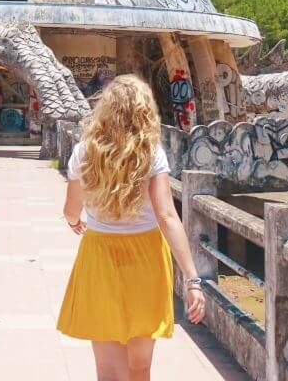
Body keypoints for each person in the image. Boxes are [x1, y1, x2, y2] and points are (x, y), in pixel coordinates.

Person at [57, 75, 206, 381]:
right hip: (146, 256)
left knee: (108, 370)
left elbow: (71, 210)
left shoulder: (85, 151)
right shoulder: (151, 153)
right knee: (139, 367)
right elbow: (167, 215)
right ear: (144, 110)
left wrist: (75, 222)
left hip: (99, 255)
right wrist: (193, 280)